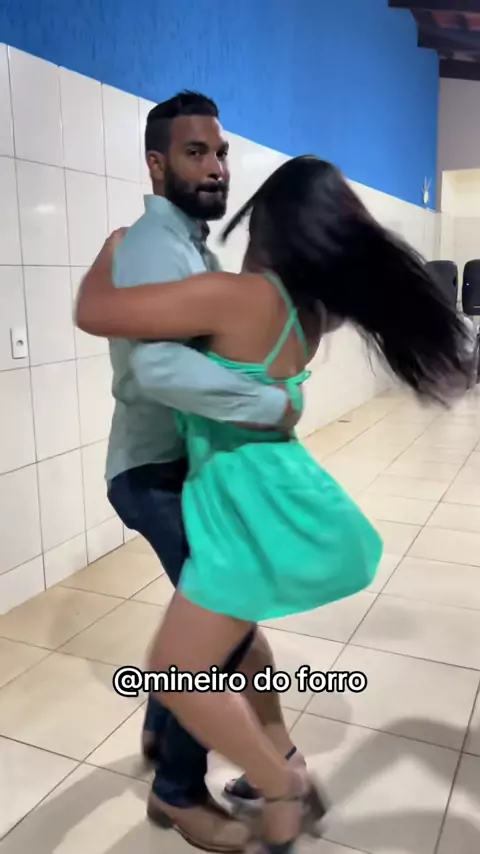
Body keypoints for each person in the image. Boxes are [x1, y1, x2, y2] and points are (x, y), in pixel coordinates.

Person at [76, 154, 470, 853]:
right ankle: (279, 765)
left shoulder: (240, 297)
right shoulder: (312, 313)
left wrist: (110, 253)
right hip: (271, 487)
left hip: (238, 498)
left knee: (177, 671)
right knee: (235, 644)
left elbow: (98, 313)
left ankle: (279, 783)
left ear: (271, 224)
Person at [104, 90, 303, 852]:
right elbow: (156, 369)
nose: (217, 166)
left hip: (177, 469)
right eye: (196, 153)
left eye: (220, 152)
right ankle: (178, 790)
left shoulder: (191, 250)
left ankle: (163, 727)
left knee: (207, 613)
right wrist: (265, 405)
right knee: (219, 626)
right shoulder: (153, 249)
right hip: (149, 473)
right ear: (157, 165)